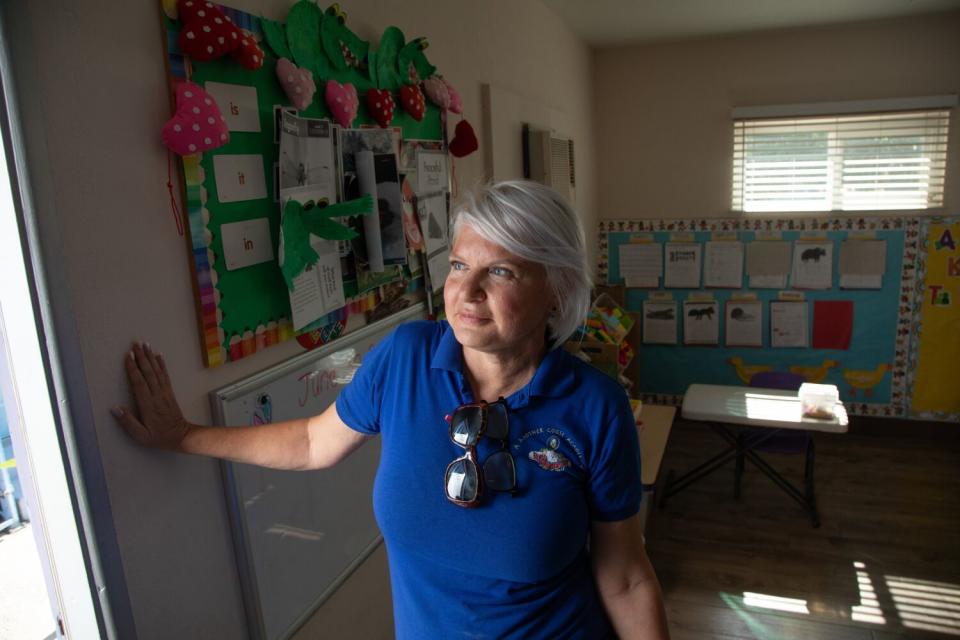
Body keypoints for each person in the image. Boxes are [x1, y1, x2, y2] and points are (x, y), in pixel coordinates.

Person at [113, 180, 670, 639]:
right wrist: (182, 435)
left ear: (557, 288)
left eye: (500, 271)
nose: (467, 290)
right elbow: (313, 443)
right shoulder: (405, 358)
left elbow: (624, 577)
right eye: (458, 265)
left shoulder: (595, 405)